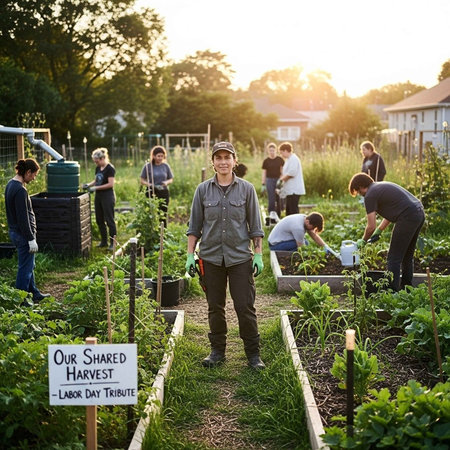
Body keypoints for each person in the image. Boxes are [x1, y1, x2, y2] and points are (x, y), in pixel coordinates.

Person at [185, 141, 266, 370]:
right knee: (215, 306)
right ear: (212, 162)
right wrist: (190, 255)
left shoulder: (247, 189)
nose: (223, 162)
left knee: (245, 306)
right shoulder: (202, 190)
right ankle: (217, 351)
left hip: (240, 257)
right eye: (218, 158)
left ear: (234, 161)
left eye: (227, 157)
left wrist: (258, 254)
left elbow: (255, 226)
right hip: (210, 258)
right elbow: (194, 227)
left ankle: (253, 354)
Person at [349, 173, 425, 291]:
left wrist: (363, 240)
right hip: (418, 212)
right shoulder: (379, 187)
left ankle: (392, 292)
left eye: (358, 192)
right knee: (407, 255)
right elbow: (392, 211)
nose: (360, 194)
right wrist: (379, 230)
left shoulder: (370, 195)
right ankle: (407, 289)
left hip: (407, 216)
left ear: (360, 186)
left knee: (393, 258)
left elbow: (370, 226)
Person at [5, 158, 50, 302]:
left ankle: (34, 293)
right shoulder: (20, 190)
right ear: (28, 172)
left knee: (29, 265)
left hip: (16, 232)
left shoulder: (10, 185)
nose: (34, 178)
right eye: (34, 175)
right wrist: (30, 238)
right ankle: (21, 300)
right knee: (24, 269)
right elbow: (23, 218)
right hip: (22, 234)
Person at [83, 148, 117, 250]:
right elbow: (97, 179)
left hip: (108, 196)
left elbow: (110, 184)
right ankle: (104, 241)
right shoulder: (98, 168)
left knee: (109, 220)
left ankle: (113, 243)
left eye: (97, 161)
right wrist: (88, 185)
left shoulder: (110, 168)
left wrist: (96, 188)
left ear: (102, 158)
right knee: (99, 219)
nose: (96, 163)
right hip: (99, 196)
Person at [140, 145, 173, 226]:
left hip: (163, 192)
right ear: (154, 156)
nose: (160, 158)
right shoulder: (148, 166)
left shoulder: (166, 166)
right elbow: (142, 180)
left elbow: (171, 179)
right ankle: (151, 230)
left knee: (163, 213)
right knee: (151, 213)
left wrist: (166, 182)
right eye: (158, 156)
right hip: (151, 192)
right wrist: (151, 185)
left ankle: (163, 232)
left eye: (162, 156)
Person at [268, 212, 333, 253]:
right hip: (275, 245)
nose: (313, 229)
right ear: (307, 222)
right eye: (313, 227)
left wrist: (325, 246)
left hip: (278, 241)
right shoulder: (298, 228)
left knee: (306, 242)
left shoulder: (305, 218)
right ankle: (286, 257)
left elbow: (314, 235)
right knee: (303, 247)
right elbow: (301, 247)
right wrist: (313, 255)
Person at [278, 142, 305, 216]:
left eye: (282, 152)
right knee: (289, 210)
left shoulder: (294, 159)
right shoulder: (288, 160)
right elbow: (285, 172)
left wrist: (280, 180)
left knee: (293, 210)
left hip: (294, 190)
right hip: (290, 190)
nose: (281, 155)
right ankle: (289, 226)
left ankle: (295, 226)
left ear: (286, 151)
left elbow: (292, 173)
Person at [261, 142, 284, 217]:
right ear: (268, 151)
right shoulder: (266, 161)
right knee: (271, 197)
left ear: (276, 150)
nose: (272, 152)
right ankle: (271, 213)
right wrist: (263, 183)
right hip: (269, 180)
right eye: (270, 150)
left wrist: (281, 181)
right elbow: (264, 173)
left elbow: (282, 171)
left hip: (278, 180)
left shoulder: (280, 160)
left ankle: (279, 214)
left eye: (273, 150)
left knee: (279, 197)